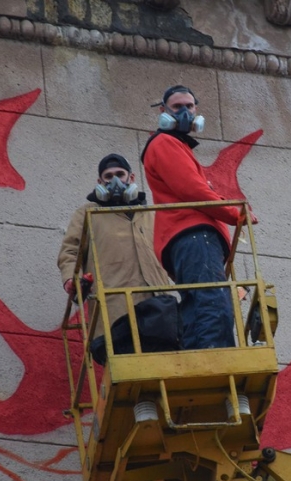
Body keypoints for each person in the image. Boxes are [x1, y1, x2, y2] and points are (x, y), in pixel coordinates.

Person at [141, 85, 257, 350]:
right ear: (163, 112)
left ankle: (199, 359)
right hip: (193, 236)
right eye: (177, 107)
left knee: (198, 308)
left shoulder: (175, 147)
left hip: (187, 239)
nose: (184, 112)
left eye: (189, 107)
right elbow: (193, 191)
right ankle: (217, 365)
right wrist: (235, 213)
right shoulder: (164, 143)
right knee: (214, 305)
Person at [58, 153, 171, 339]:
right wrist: (71, 279)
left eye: (120, 174)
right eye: (108, 176)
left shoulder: (151, 215)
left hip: (158, 306)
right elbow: (70, 250)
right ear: (100, 182)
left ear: (131, 177)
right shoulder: (88, 214)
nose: (115, 180)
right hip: (114, 309)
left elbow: (170, 256)